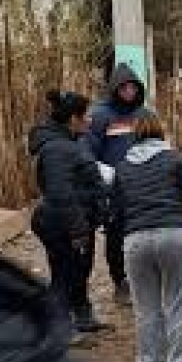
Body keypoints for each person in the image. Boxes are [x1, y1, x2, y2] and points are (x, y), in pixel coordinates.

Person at [111, 115, 182, 362]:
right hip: (174, 234)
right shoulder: (175, 159)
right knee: (177, 304)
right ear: (161, 131)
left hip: (136, 237)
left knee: (146, 308)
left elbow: (116, 208)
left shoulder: (122, 167)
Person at [28, 90, 110, 335]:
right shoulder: (57, 148)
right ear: (73, 119)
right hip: (63, 224)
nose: (90, 120)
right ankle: (58, 329)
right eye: (86, 116)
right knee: (65, 275)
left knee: (78, 271)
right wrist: (77, 229)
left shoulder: (67, 142)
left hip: (73, 220)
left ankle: (82, 316)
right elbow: (60, 192)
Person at [85, 62, 153, 304]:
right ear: (115, 88)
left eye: (133, 87)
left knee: (143, 233)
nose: (129, 91)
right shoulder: (100, 115)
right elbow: (88, 153)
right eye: (124, 87)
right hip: (114, 189)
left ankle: (142, 278)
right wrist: (104, 183)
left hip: (142, 186)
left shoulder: (144, 115)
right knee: (115, 235)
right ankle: (120, 280)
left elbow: (156, 143)